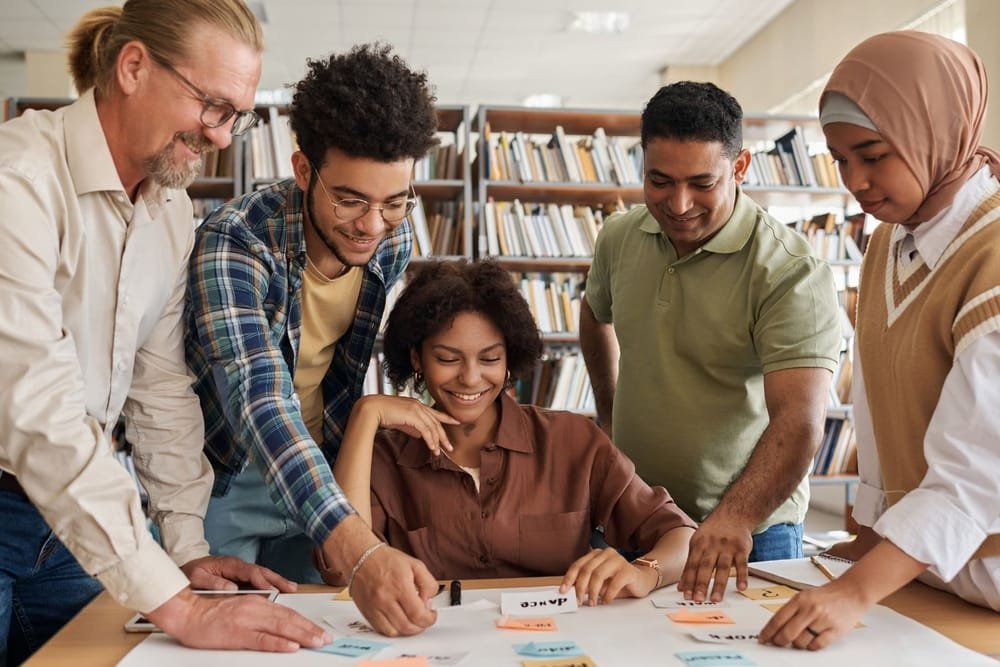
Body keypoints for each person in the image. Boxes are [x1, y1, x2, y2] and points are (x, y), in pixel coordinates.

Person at [0, 1, 331, 663]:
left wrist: (186, 552)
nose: (223, 137)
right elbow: (35, 409)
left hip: (66, 519)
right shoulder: (19, 184)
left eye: (237, 115)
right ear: (133, 68)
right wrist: (177, 604)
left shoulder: (170, 209)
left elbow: (159, 391)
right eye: (213, 106)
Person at [184, 43, 441, 637]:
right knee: (221, 638)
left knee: (322, 636)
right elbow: (258, 397)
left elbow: (344, 370)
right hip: (226, 473)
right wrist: (355, 541)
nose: (371, 226)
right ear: (304, 171)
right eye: (350, 199)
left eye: (394, 202)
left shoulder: (391, 240)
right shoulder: (236, 242)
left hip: (317, 468)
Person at [760, 31, 1000, 651]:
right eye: (840, 160)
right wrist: (863, 546)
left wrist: (857, 590)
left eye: (872, 155)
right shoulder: (887, 241)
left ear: (934, 133)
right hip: (924, 572)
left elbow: (980, 471)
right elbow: (881, 416)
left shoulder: (992, 256)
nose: (856, 182)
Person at [580, 81, 842, 603]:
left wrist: (735, 517)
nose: (678, 204)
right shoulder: (618, 237)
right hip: (637, 514)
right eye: (660, 181)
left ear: (740, 167)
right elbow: (595, 313)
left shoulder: (790, 271)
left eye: (702, 183)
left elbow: (800, 420)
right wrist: (607, 411)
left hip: (750, 531)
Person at [326, 259, 697, 603]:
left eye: (489, 358)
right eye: (448, 359)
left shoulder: (572, 441)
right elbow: (342, 571)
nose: (470, 378)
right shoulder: (384, 458)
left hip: (557, 635)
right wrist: (365, 414)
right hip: (433, 637)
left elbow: (681, 535)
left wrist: (645, 571)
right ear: (416, 359)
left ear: (509, 360)